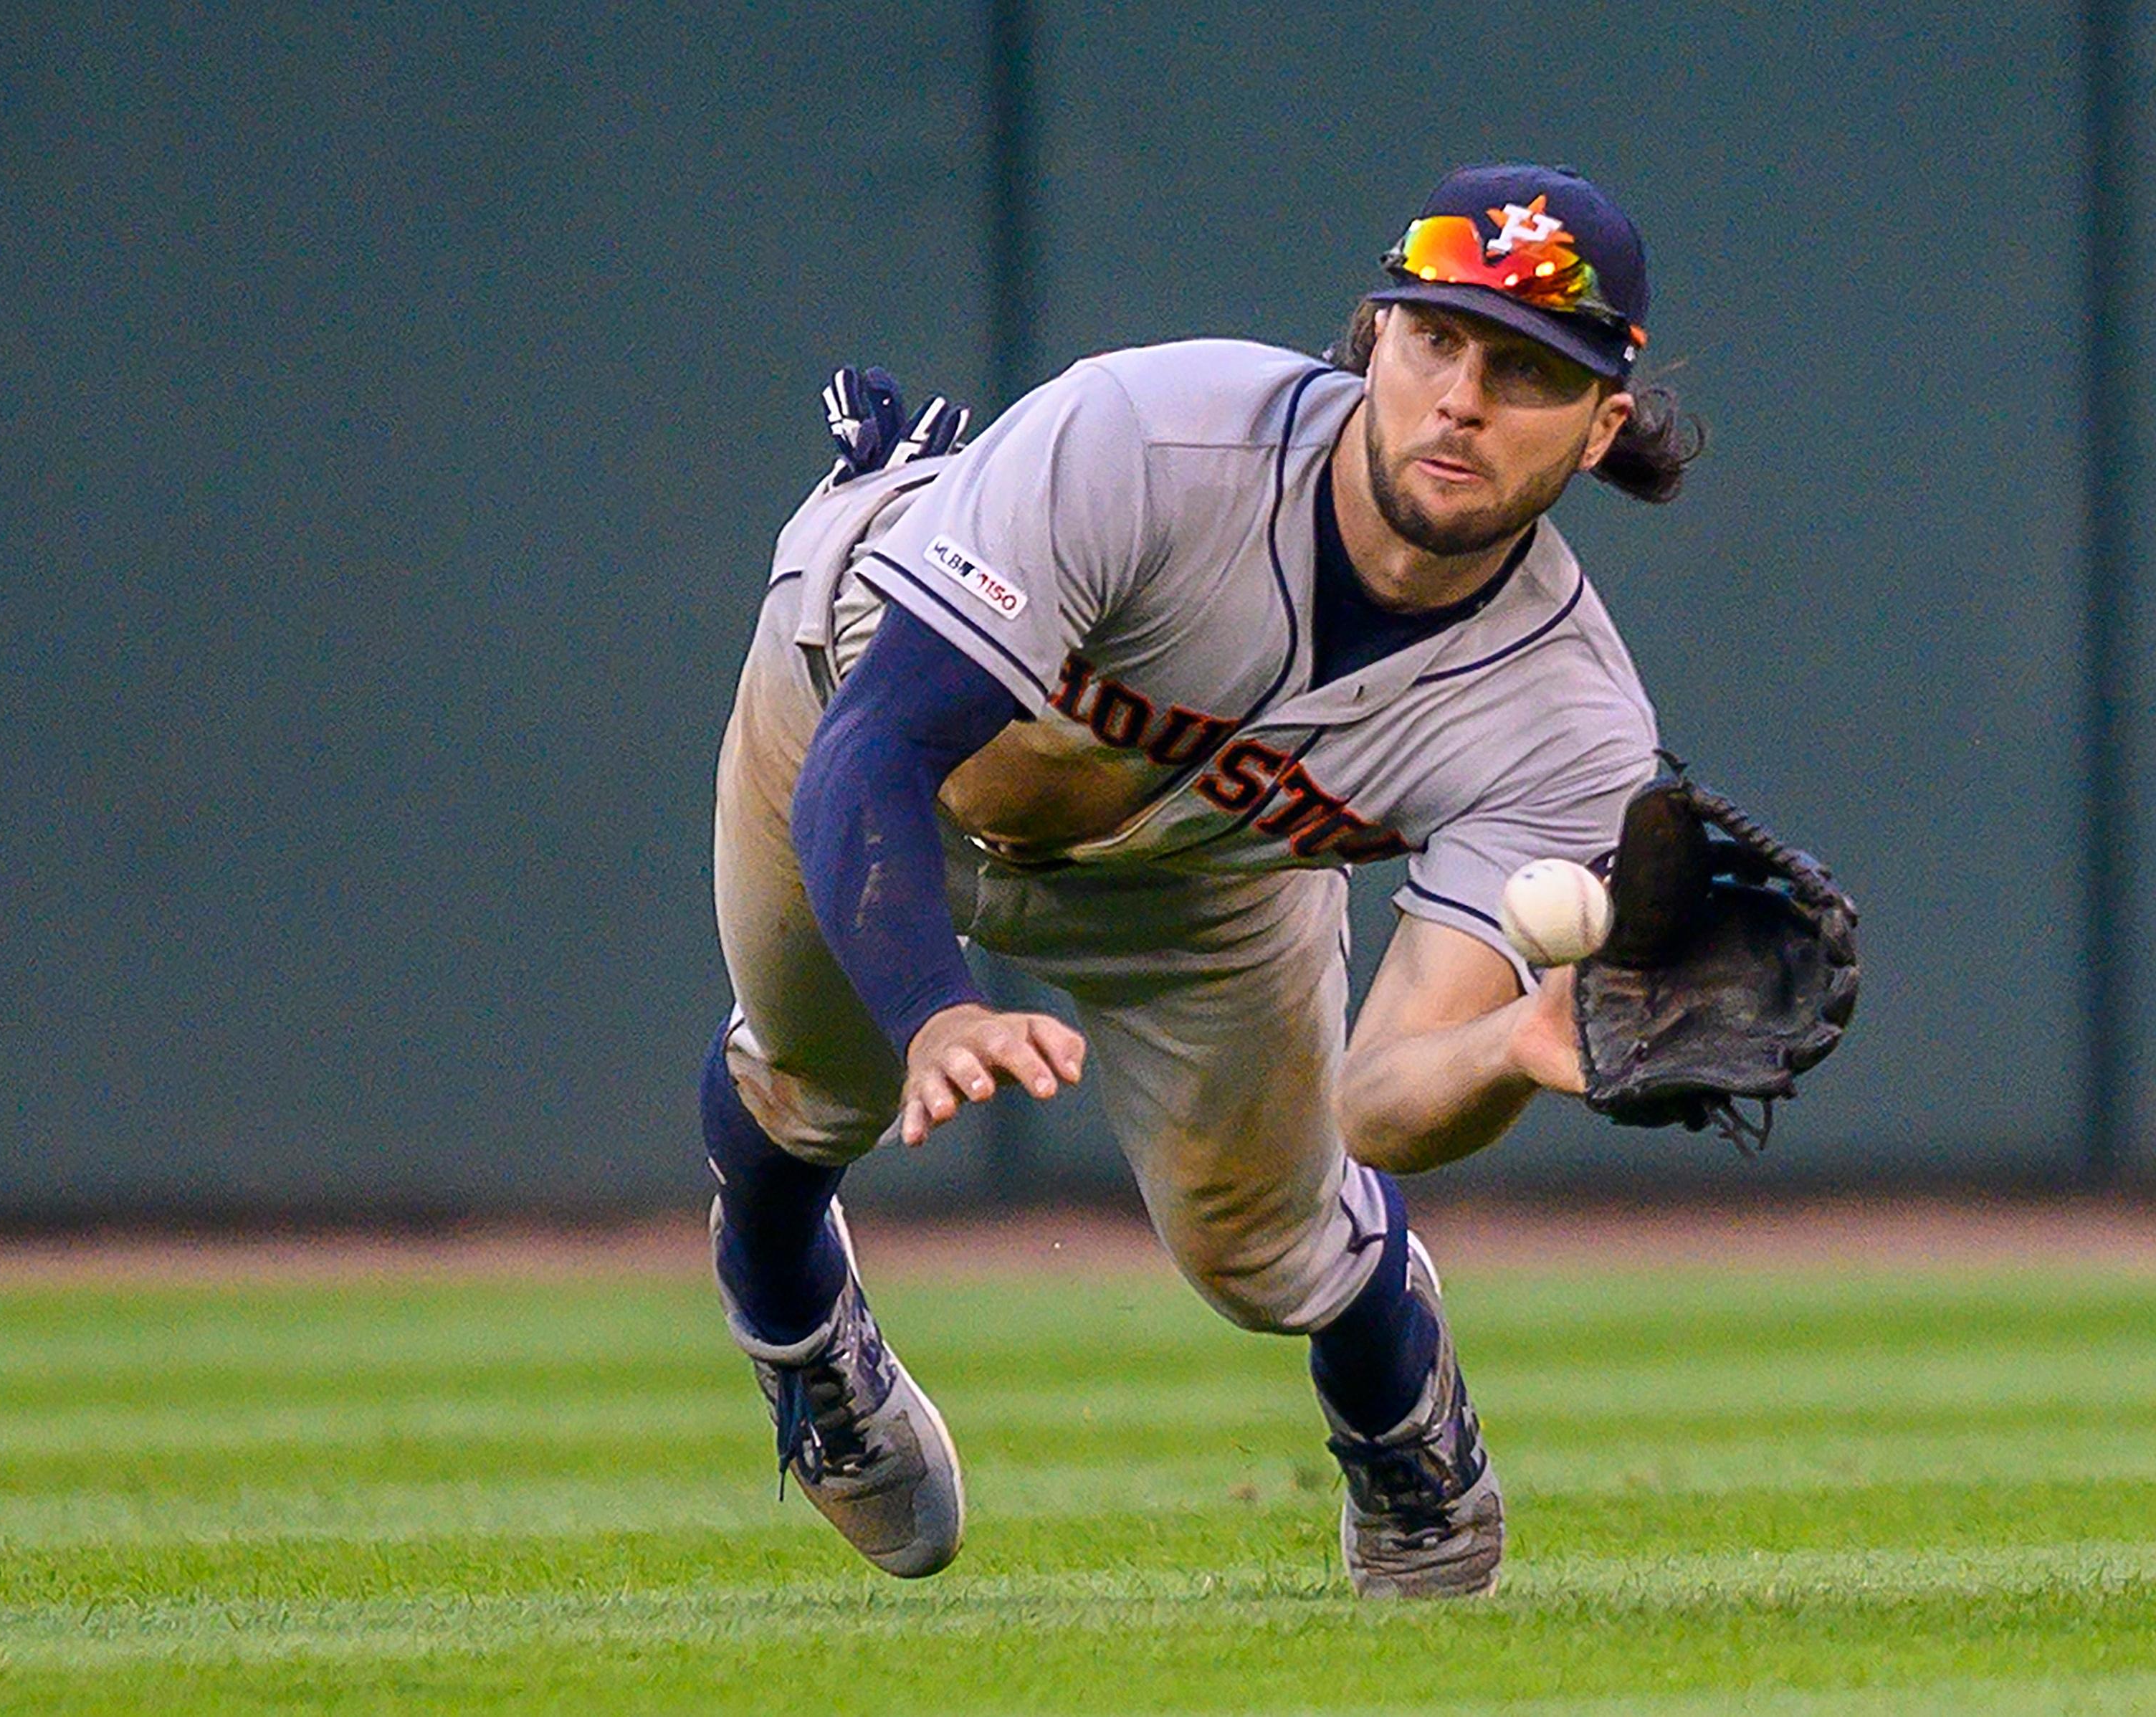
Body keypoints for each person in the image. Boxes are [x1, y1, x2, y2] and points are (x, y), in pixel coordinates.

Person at [701, 163, 1699, 1598]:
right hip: (863, 722)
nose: (1464, 396)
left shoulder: (1568, 726)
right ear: (1374, 339)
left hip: (1204, 872)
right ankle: (799, 1333)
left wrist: (1515, 1044)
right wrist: (934, 1011)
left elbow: (1387, 1100)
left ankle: (1407, 1436)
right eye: (1437, 338)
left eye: (1528, 368)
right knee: (818, 1080)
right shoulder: (1154, 440)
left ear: (1603, 425)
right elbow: (884, 743)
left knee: (1269, 1237)